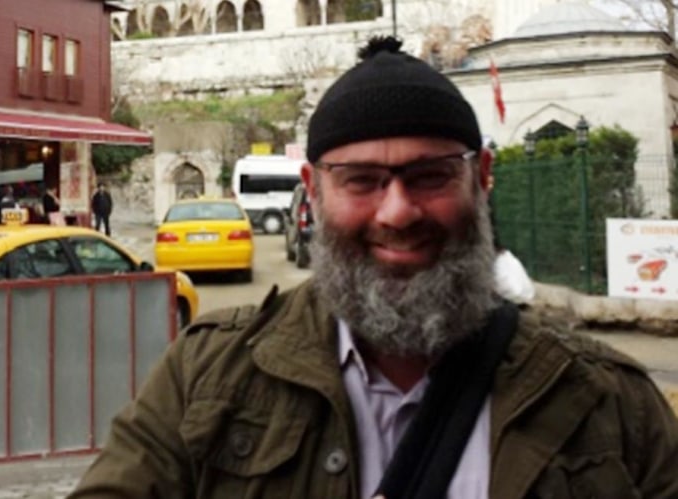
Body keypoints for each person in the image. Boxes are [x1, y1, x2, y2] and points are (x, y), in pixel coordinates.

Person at [69, 37, 678, 499]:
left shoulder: (605, 402)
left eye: (430, 175)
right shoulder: (207, 378)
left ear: (482, 178)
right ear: (313, 191)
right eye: (362, 180)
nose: (397, 211)